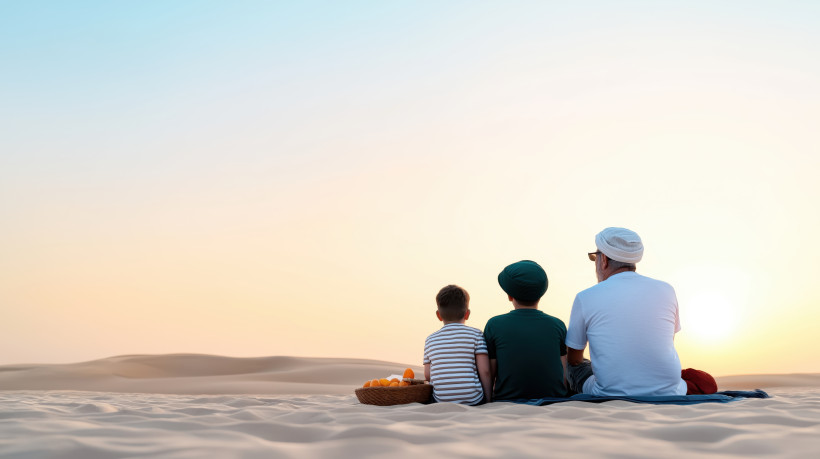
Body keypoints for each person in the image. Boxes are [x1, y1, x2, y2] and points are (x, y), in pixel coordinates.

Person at [566, 227, 717, 396]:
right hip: (668, 391)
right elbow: (665, 343)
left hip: (608, 394)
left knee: (574, 366)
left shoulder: (585, 297)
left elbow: (574, 359)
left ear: (604, 260)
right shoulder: (666, 290)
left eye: (595, 257)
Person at [483, 260, 568, 401]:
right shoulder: (558, 325)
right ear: (541, 294)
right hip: (554, 398)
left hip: (507, 399)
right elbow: (563, 373)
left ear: (509, 296)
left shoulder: (494, 324)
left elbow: (490, 371)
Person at [423, 285, 492, 405]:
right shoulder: (476, 334)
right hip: (473, 399)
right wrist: (488, 399)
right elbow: (485, 371)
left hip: (441, 400)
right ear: (467, 314)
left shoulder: (430, 340)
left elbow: (428, 375)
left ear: (438, 315)